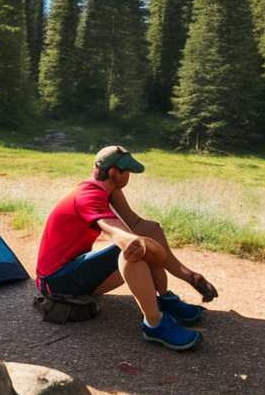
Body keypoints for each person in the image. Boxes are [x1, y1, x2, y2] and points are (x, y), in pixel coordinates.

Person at [35, 145, 220, 351]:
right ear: (114, 172)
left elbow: (136, 224)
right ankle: (154, 323)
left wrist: (191, 277)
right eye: (128, 171)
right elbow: (115, 232)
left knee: (151, 230)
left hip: (71, 270)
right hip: (56, 282)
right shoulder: (89, 195)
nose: (130, 176)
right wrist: (135, 244)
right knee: (131, 253)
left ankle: (163, 297)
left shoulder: (109, 189)